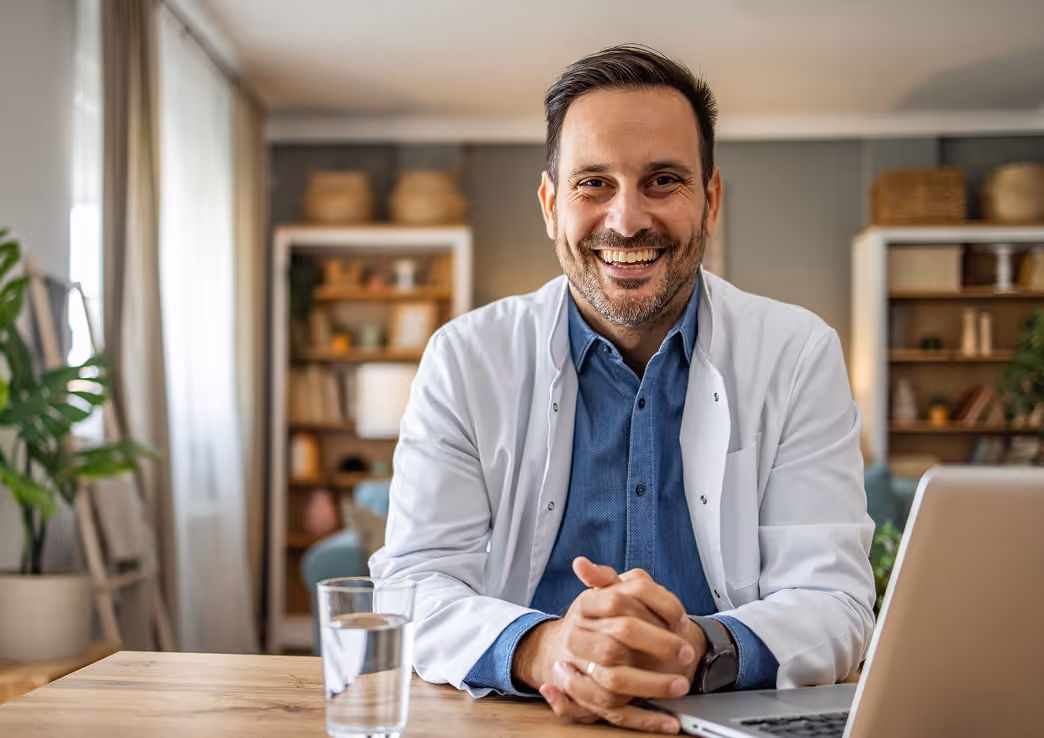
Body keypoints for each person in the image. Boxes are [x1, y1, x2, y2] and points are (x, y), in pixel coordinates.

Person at [370, 44, 876, 735]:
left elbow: (834, 602)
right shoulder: (464, 359)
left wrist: (694, 648)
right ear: (551, 205)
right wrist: (545, 650)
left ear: (712, 198)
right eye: (593, 184)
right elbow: (412, 584)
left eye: (663, 180)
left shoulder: (798, 353)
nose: (628, 219)